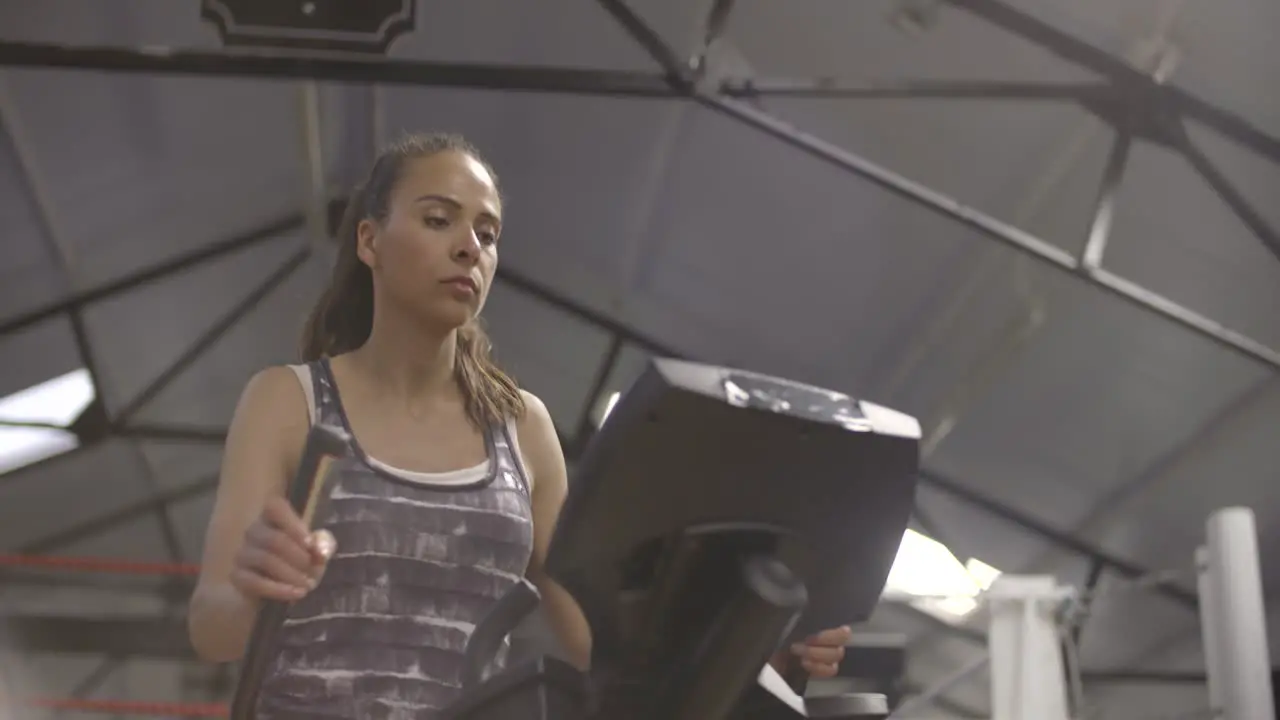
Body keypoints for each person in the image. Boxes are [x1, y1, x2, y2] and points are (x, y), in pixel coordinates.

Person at [187, 132, 851, 718]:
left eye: (487, 233)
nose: (469, 248)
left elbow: (602, 640)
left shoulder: (521, 427)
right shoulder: (288, 400)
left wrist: (755, 638)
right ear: (369, 240)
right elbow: (211, 631)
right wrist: (252, 588)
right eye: (439, 219)